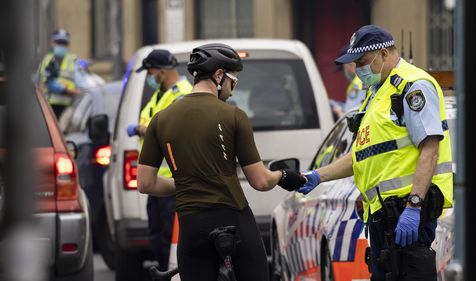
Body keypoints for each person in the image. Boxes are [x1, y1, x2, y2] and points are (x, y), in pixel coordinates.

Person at [136, 43, 305, 281]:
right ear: (218, 75)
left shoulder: (160, 119)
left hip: (191, 223)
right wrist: (284, 176)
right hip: (233, 217)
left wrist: (185, 184)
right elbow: (260, 181)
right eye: (232, 82)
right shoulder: (233, 115)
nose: (232, 91)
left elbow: (145, 184)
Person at [298, 25, 453, 281]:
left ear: (383, 54)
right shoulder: (377, 92)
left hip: (407, 214)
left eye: (362, 62)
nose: (359, 70)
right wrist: (316, 176)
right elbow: (362, 153)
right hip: (383, 217)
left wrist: (414, 205)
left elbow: (429, 148)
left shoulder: (413, 87)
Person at [126, 49, 192, 271]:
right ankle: (165, 271)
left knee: (170, 239)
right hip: (155, 181)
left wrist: (143, 129)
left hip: (172, 182)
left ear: (162, 72)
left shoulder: (182, 93)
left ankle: (172, 273)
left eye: (151, 72)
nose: (150, 77)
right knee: (158, 237)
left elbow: (176, 129)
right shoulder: (159, 95)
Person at [36, 29, 81, 118]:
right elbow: (37, 84)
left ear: (68, 45)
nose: (61, 45)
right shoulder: (46, 60)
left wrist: (64, 90)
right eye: (58, 42)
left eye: (64, 43)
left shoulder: (75, 61)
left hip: (68, 108)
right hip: (47, 107)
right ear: (51, 43)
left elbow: (83, 90)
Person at [339, 45, 366, 112]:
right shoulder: (363, 79)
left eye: (343, 68)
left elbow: (350, 113)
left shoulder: (357, 83)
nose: (344, 71)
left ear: (349, 64)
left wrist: (338, 111)